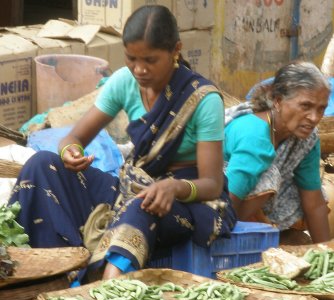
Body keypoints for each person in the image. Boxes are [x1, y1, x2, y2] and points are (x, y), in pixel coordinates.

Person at [8, 5, 236, 281]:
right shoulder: (124, 82)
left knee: (142, 204)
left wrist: (173, 188)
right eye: (131, 58)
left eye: (150, 60)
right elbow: (75, 137)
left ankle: (104, 290)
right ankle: (47, 273)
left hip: (186, 203)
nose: (139, 69)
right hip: (132, 187)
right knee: (41, 165)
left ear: (176, 50)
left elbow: (211, 184)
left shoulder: (203, 99)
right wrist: (71, 152)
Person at [223, 60, 330, 244]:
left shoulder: (305, 139)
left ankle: (270, 235)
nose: (314, 118)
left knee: (318, 193)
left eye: (321, 109)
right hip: (218, 203)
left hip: (249, 204)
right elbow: (225, 205)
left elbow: (314, 203)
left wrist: (328, 254)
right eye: (305, 106)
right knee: (269, 176)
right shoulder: (254, 135)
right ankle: (244, 240)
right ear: (278, 101)